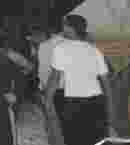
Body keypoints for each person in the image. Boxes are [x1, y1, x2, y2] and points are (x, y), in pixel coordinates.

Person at [44, 15, 114, 145]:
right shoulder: (94, 50)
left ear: (70, 29)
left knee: (74, 140)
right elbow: (106, 83)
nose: (63, 29)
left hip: (74, 103)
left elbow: (54, 78)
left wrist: (47, 102)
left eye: (65, 26)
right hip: (97, 104)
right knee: (96, 141)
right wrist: (110, 109)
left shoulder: (61, 49)